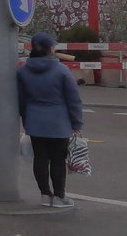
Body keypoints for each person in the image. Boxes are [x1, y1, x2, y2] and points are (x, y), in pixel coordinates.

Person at [17, 32, 84, 209]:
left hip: (35, 120)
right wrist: (77, 123)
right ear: (50, 49)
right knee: (57, 159)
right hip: (58, 122)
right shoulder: (61, 70)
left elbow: (21, 100)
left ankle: (45, 195)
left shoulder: (23, 71)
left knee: (40, 158)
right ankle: (59, 197)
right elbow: (73, 99)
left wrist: (26, 120)